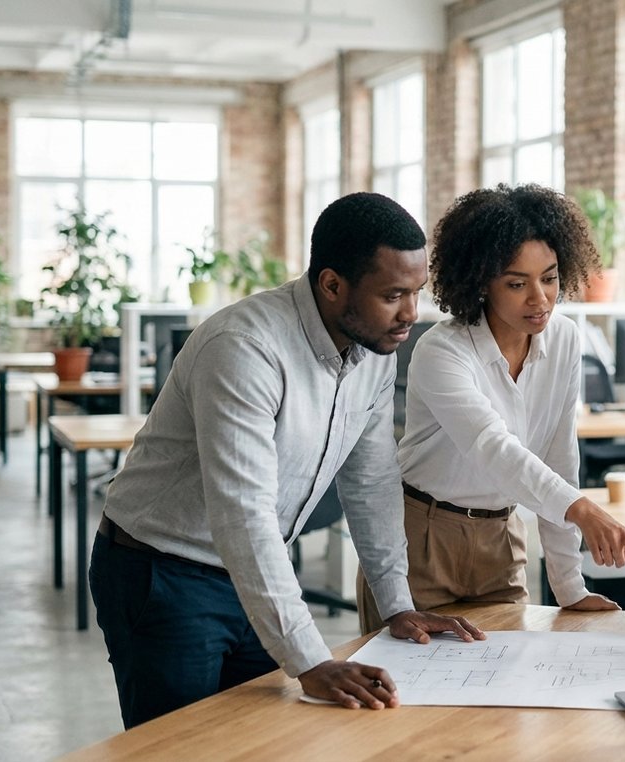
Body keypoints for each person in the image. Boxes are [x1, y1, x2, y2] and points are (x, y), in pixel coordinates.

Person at [89, 193, 483, 729]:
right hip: (164, 572)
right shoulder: (244, 346)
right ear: (331, 284)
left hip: (254, 570)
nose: (411, 315)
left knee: (262, 741)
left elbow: (371, 482)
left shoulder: (373, 349)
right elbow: (243, 512)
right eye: (393, 295)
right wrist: (311, 659)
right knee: (178, 747)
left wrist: (397, 605)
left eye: (416, 292)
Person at [355, 183, 625, 632]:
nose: (540, 298)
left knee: (508, 689)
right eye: (517, 283)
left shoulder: (565, 339)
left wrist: (570, 587)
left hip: (502, 541)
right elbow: (494, 448)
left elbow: (557, 456)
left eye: (549, 278)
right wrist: (582, 510)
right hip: (421, 541)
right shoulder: (442, 351)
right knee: (413, 694)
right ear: (481, 283)